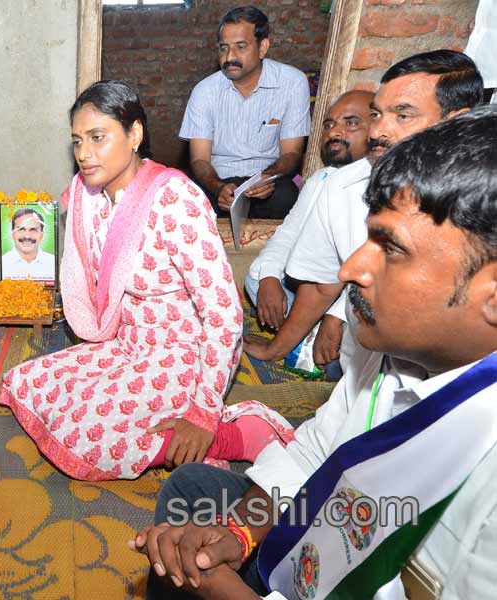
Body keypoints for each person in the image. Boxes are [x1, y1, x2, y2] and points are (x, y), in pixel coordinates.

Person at [133, 105, 497, 600]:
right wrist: (239, 536)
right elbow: (313, 455)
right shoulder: (391, 354)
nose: (349, 269)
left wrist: (225, 591)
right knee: (191, 492)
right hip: (309, 537)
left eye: (389, 248)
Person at [0, 80, 292, 481]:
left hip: (182, 355)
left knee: (94, 437)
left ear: (134, 134)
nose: (84, 154)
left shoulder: (176, 200)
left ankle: (230, 436)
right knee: (27, 382)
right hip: (129, 343)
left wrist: (203, 412)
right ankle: (174, 439)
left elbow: (224, 315)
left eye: (97, 138)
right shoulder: (93, 195)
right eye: (77, 141)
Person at [261, 50, 484, 372]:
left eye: (402, 116)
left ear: (454, 123)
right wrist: (275, 348)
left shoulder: (484, 202)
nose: (378, 132)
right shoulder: (341, 187)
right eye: (377, 115)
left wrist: (335, 316)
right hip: (368, 356)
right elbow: (323, 283)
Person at [241, 90, 373, 373]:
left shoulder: (375, 184)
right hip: (322, 290)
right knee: (256, 279)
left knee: (350, 344)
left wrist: (337, 316)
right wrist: (269, 278)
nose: (334, 132)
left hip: (356, 300)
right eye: (328, 124)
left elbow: (370, 276)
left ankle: (312, 343)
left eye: (351, 124)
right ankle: (309, 335)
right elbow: (288, 233)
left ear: (377, 129)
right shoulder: (322, 179)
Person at [180, 6, 310, 219]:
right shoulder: (204, 91)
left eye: (241, 47)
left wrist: (267, 178)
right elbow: (199, 160)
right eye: (223, 48)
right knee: (188, 201)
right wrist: (217, 187)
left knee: (287, 197)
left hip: (268, 181)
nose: (230, 56)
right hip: (219, 180)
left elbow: (292, 154)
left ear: (262, 47)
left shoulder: (292, 83)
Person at [1, 207, 56, 282]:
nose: (27, 236)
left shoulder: (53, 263)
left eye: (33, 230)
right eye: (21, 229)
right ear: (12, 233)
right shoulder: (2, 263)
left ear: (42, 235)